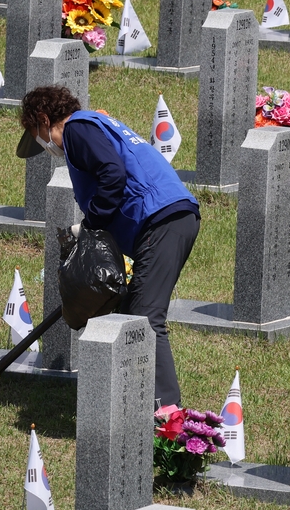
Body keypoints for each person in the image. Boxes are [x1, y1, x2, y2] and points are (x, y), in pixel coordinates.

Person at [17, 86, 199, 407]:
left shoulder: (76, 129)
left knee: (145, 316)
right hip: (165, 218)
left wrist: (92, 223)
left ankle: (166, 412)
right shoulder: (90, 125)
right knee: (129, 313)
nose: (43, 145)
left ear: (44, 119)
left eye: (37, 134)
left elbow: (112, 173)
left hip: (161, 219)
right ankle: (132, 402)